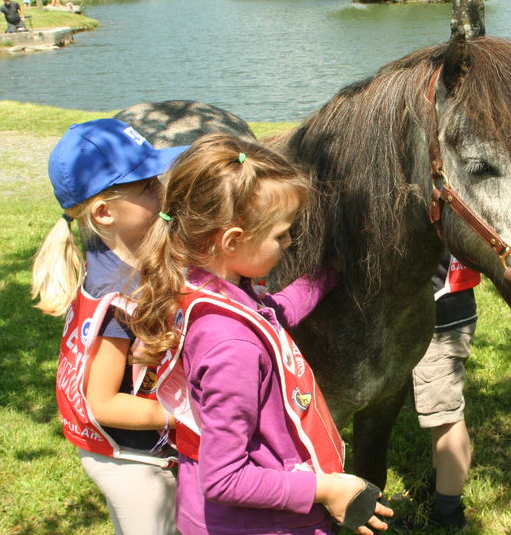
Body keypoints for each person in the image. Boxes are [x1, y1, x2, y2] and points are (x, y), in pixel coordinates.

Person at [127, 134, 393, 535]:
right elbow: (225, 478)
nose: (289, 243)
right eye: (281, 235)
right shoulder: (231, 345)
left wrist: (327, 274)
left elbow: (273, 313)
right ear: (233, 239)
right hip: (262, 524)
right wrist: (327, 490)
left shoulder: (204, 291)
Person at [31, 118, 189, 535]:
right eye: (148, 186)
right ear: (105, 212)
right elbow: (102, 403)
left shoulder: (120, 262)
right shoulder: (118, 295)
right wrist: (186, 417)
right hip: (124, 457)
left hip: (132, 446)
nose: (163, 190)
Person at [401, 255, 479, 532]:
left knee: (446, 418)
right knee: (442, 418)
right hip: (455, 310)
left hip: (441, 318)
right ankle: (437, 490)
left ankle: (447, 514)